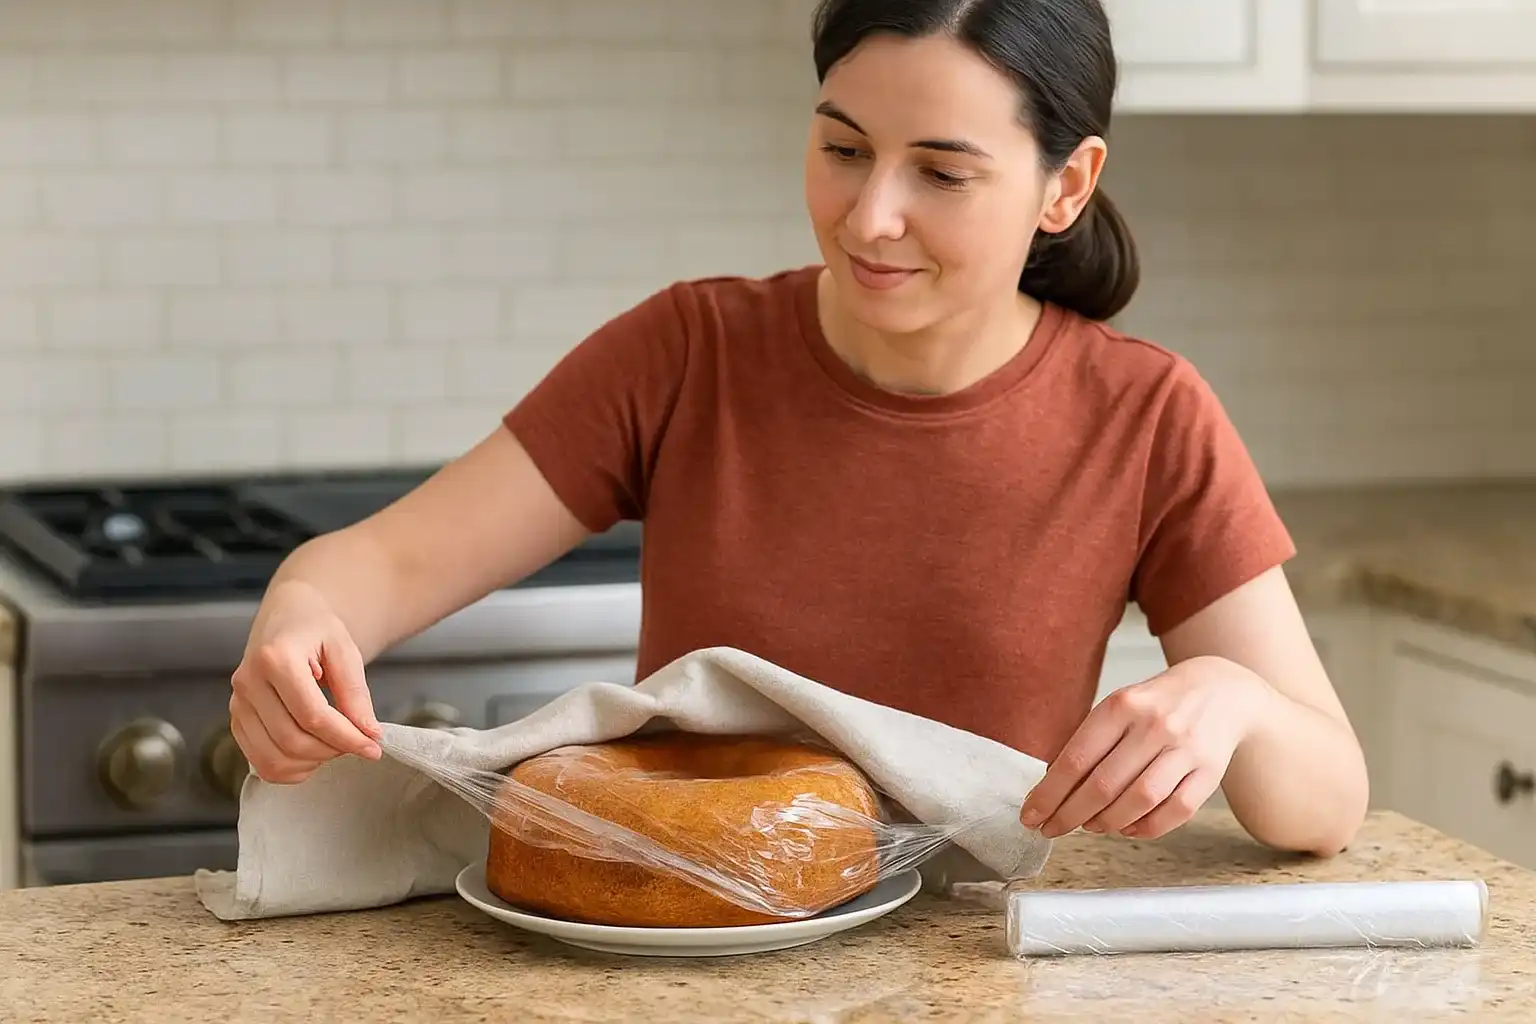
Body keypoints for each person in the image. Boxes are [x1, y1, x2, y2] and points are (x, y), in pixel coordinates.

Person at [228, 0, 1368, 857]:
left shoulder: (1145, 417)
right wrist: (300, 619)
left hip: (973, 978)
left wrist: (1238, 700)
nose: (872, 217)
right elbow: (377, 564)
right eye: (844, 148)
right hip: (680, 951)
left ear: (1065, 187)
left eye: (941, 172)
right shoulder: (687, 354)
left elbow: (1325, 800)